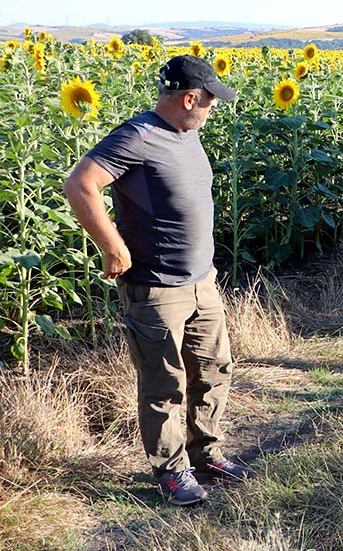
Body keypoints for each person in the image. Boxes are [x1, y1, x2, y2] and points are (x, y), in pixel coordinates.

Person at [64, 54, 250, 506]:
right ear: (190, 98)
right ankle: (171, 471)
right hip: (155, 286)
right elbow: (80, 183)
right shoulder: (137, 135)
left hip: (201, 281)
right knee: (164, 382)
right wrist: (113, 246)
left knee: (213, 370)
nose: (211, 110)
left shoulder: (186, 133)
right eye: (209, 102)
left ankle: (207, 453)